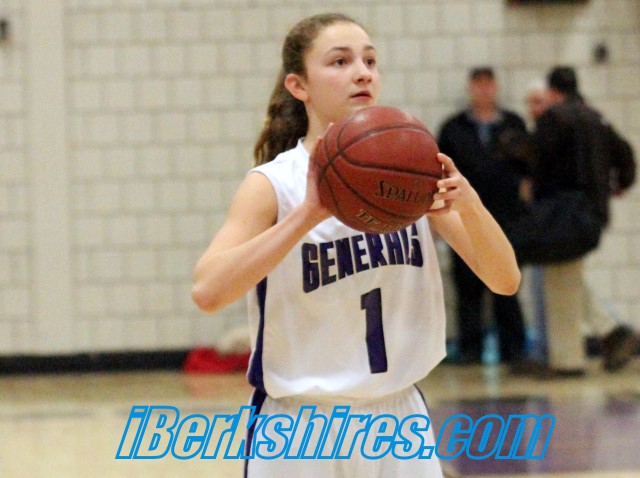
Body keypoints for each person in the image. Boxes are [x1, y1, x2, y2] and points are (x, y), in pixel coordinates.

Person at [191, 13, 520, 478]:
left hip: (398, 420)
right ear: (298, 85)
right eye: (340, 61)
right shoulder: (273, 185)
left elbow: (505, 280)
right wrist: (307, 214)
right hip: (300, 425)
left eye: (370, 60)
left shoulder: (412, 175)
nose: (362, 72)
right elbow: (208, 291)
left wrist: (469, 203)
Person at [530, 66, 637, 377]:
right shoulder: (597, 118)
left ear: (552, 91)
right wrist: (619, 185)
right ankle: (612, 331)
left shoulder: (553, 118)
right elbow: (626, 155)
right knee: (568, 277)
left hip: (561, 215)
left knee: (559, 282)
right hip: (593, 215)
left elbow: (536, 163)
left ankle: (568, 361)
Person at [437, 67, 530, 368]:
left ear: (496, 87)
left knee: (507, 284)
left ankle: (514, 351)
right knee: (467, 286)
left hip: (507, 217)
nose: (484, 89)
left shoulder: (514, 124)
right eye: (478, 84)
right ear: (471, 88)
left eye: (489, 84)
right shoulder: (453, 128)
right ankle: (470, 350)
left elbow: (528, 169)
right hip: (463, 217)